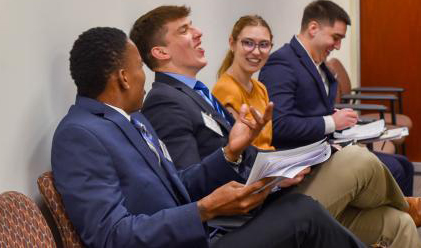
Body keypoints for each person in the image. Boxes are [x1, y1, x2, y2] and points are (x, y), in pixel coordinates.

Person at [131, 6, 421, 247]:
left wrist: (282, 169)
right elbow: (189, 187)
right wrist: (258, 170)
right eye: (185, 30)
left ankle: (401, 209)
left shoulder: (198, 93)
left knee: (397, 224)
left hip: (272, 189)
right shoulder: (165, 101)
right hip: (250, 214)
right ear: (161, 52)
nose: (198, 32)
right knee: (357, 159)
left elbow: (246, 152)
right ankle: (403, 202)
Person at [51, 27, 364, 248]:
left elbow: (177, 186)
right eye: (138, 68)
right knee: (302, 216)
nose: (144, 76)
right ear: (122, 77)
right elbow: (112, 236)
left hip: (204, 232)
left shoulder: (134, 118)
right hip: (192, 237)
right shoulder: (79, 135)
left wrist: (229, 152)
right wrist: (203, 210)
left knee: (295, 204)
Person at [258, 0, 421, 199]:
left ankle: (401, 224)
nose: (338, 46)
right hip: (303, 159)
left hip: (327, 147)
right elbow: (280, 125)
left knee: (404, 165)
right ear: (313, 28)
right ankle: (389, 225)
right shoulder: (282, 63)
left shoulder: (318, 63)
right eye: (335, 38)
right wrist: (331, 122)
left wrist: (334, 118)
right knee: (393, 169)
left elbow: (310, 110)